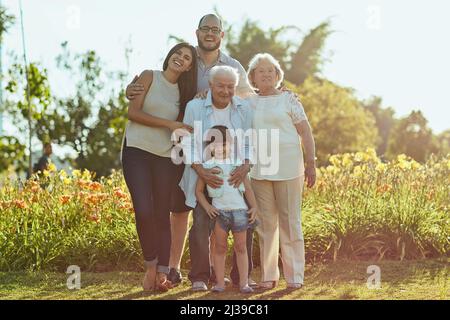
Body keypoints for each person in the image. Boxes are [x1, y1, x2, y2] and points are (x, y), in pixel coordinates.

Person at [125, 13, 255, 287]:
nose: (210, 33)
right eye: (205, 29)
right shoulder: (186, 59)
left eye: (215, 30)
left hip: (224, 145)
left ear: (221, 35)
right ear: (197, 33)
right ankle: (173, 268)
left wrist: (276, 92)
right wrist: (133, 89)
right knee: (183, 207)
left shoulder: (232, 65)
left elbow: (247, 97)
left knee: (229, 200)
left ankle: (231, 273)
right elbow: (163, 84)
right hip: (185, 141)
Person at [120, 42, 197, 292]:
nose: (180, 58)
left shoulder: (185, 94)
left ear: (189, 67)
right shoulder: (148, 76)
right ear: (170, 55)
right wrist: (168, 123)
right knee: (143, 210)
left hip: (165, 156)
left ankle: (161, 273)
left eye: (186, 58)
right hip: (136, 151)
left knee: (162, 213)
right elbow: (133, 112)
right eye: (178, 53)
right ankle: (151, 265)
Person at [179, 65, 254, 291]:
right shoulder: (195, 107)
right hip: (203, 174)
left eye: (230, 86)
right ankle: (201, 276)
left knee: (243, 227)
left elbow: (250, 142)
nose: (225, 90)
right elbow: (187, 141)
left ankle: (242, 277)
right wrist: (201, 170)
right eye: (220, 85)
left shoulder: (243, 108)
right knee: (201, 225)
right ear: (210, 86)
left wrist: (245, 166)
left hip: (234, 177)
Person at [246, 53, 317, 289]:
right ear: (253, 77)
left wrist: (311, 163)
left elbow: (305, 132)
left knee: (290, 222)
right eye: (260, 71)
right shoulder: (247, 101)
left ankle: (295, 276)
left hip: (288, 167)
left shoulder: (289, 100)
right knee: (265, 226)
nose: (266, 74)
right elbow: (221, 96)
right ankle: (269, 276)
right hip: (259, 169)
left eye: (270, 70)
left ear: (278, 76)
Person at [195, 125, 258, 294]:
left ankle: (244, 283)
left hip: (240, 212)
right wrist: (207, 207)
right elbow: (198, 191)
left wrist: (254, 207)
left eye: (225, 144)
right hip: (220, 214)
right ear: (210, 147)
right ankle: (220, 283)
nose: (221, 148)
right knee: (220, 247)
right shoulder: (207, 166)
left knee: (241, 247)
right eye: (216, 144)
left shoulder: (238, 164)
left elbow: (249, 189)